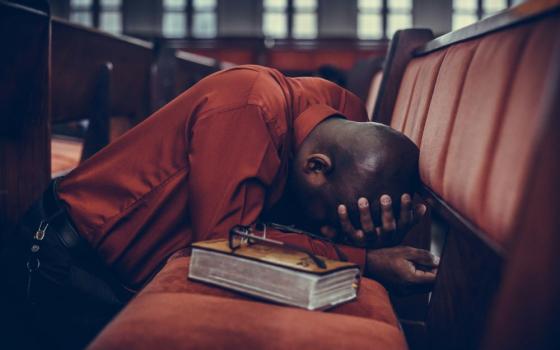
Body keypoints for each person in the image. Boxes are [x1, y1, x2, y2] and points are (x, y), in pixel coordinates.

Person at [0, 65, 437, 349]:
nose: (327, 230)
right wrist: (366, 260)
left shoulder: (343, 115)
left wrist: (376, 230)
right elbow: (228, 249)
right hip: (64, 271)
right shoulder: (249, 107)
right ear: (316, 167)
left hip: (125, 276)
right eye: (328, 221)